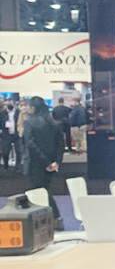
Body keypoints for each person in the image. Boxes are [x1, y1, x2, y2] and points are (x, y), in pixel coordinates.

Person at [22, 96, 64, 227]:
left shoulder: (29, 123)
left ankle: (54, 218)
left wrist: (46, 162)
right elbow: (60, 145)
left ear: (33, 108)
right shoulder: (54, 123)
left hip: (35, 163)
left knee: (40, 192)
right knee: (44, 190)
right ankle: (52, 220)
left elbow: (30, 144)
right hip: (51, 164)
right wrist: (55, 162)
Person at [0, 102, 16, 169]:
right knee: (5, 152)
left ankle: (18, 167)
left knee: (19, 152)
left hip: (16, 134)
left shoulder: (17, 112)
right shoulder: (2, 113)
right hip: (6, 135)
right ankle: (6, 165)